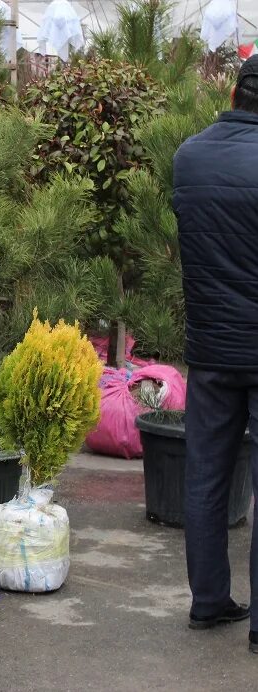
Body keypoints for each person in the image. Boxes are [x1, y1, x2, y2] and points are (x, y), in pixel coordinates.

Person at [173, 55, 258, 651]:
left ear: (232, 92)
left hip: (209, 348)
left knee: (205, 475)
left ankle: (208, 600)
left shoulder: (189, 156)